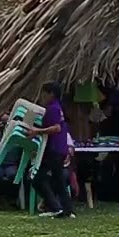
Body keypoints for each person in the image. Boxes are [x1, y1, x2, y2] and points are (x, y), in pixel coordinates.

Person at [26, 83, 75, 219]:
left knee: (37, 179)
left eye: (44, 93)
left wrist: (37, 131)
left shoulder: (53, 108)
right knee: (59, 181)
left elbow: (56, 128)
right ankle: (67, 210)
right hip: (59, 149)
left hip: (53, 149)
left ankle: (56, 207)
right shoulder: (58, 108)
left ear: (51, 93)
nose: (42, 96)